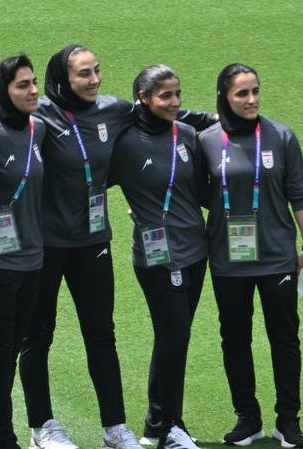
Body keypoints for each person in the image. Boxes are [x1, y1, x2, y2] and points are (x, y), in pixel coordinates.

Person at [19, 44, 216, 449]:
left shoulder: (113, 109)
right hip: (45, 246)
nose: (94, 81)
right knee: (38, 336)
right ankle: (42, 426)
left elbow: (165, 111)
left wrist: (220, 119)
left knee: (101, 333)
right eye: (83, 74)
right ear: (63, 79)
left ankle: (115, 429)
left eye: (96, 71)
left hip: (93, 242)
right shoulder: (39, 116)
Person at [198, 63, 303, 448]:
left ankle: (289, 420)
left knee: (284, 338)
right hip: (227, 259)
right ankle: (247, 418)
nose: (251, 100)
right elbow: (191, 191)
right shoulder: (205, 141)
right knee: (234, 339)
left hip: (277, 257)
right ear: (224, 97)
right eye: (241, 93)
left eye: (255, 91)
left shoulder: (281, 136)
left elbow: (297, 192)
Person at [109, 65, 207, 449]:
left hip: (196, 252)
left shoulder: (186, 135)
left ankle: (162, 424)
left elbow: (199, 189)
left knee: (178, 339)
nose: (174, 102)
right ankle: (165, 426)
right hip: (156, 258)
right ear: (143, 98)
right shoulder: (126, 143)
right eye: (165, 96)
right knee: (173, 335)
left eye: (177, 94)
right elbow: (91, 181)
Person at [0, 54, 46, 449]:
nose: (32, 90)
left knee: (11, 352)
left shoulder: (40, 129)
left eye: (34, 82)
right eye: (22, 85)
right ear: (4, 91)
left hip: (33, 259)